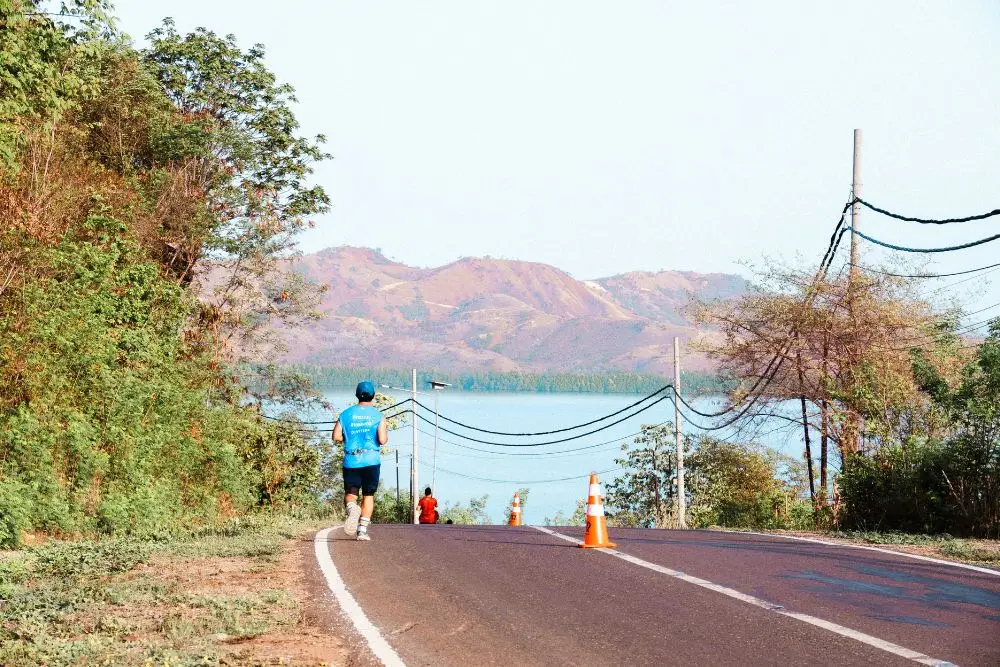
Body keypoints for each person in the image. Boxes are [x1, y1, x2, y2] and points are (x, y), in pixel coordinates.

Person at [333, 381, 387, 542]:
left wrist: (348, 438)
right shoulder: (378, 416)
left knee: (351, 494)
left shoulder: (345, 414)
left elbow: (336, 436)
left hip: (352, 460)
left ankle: (352, 508)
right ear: (373, 396)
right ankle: (362, 531)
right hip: (371, 460)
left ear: (357, 395)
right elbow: (382, 440)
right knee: (368, 495)